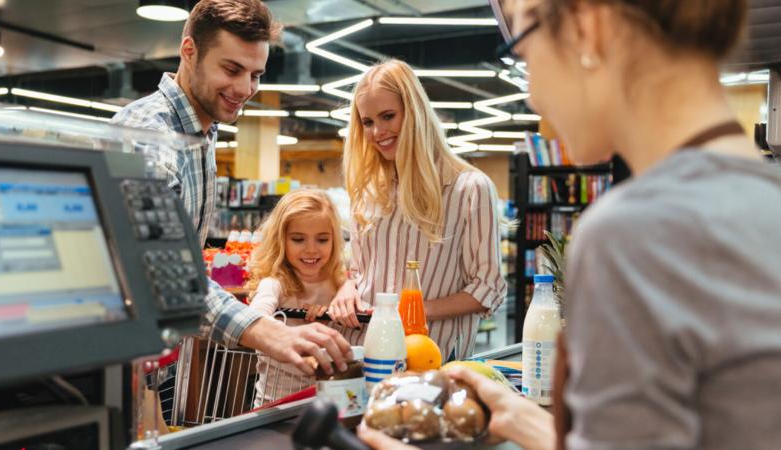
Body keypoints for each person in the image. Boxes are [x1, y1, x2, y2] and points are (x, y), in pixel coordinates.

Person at [360, 0, 781, 449]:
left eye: (526, 51)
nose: (533, 94)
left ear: (587, 28)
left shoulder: (631, 231)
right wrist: (528, 423)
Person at [112, 0, 350, 376]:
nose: (245, 88)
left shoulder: (200, 133)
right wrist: (264, 331)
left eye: (255, 74)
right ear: (189, 51)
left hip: (152, 358)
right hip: (117, 361)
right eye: (232, 69)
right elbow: (162, 272)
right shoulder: (149, 139)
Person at [330, 59, 507, 361]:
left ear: (414, 112)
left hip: (429, 356)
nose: (377, 131)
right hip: (365, 348)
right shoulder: (369, 191)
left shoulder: (468, 188)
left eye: (388, 116)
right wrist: (347, 288)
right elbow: (360, 271)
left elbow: (489, 287)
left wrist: (415, 310)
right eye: (368, 122)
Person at [245, 189, 348, 406]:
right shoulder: (275, 283)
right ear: (280, 240)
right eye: (298, 239)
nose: (311, 249)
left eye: (322, 239)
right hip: (275, 404)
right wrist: (297, 332)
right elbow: (254, 317)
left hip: (330, 401)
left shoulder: (339, 285)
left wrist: (332, 313)